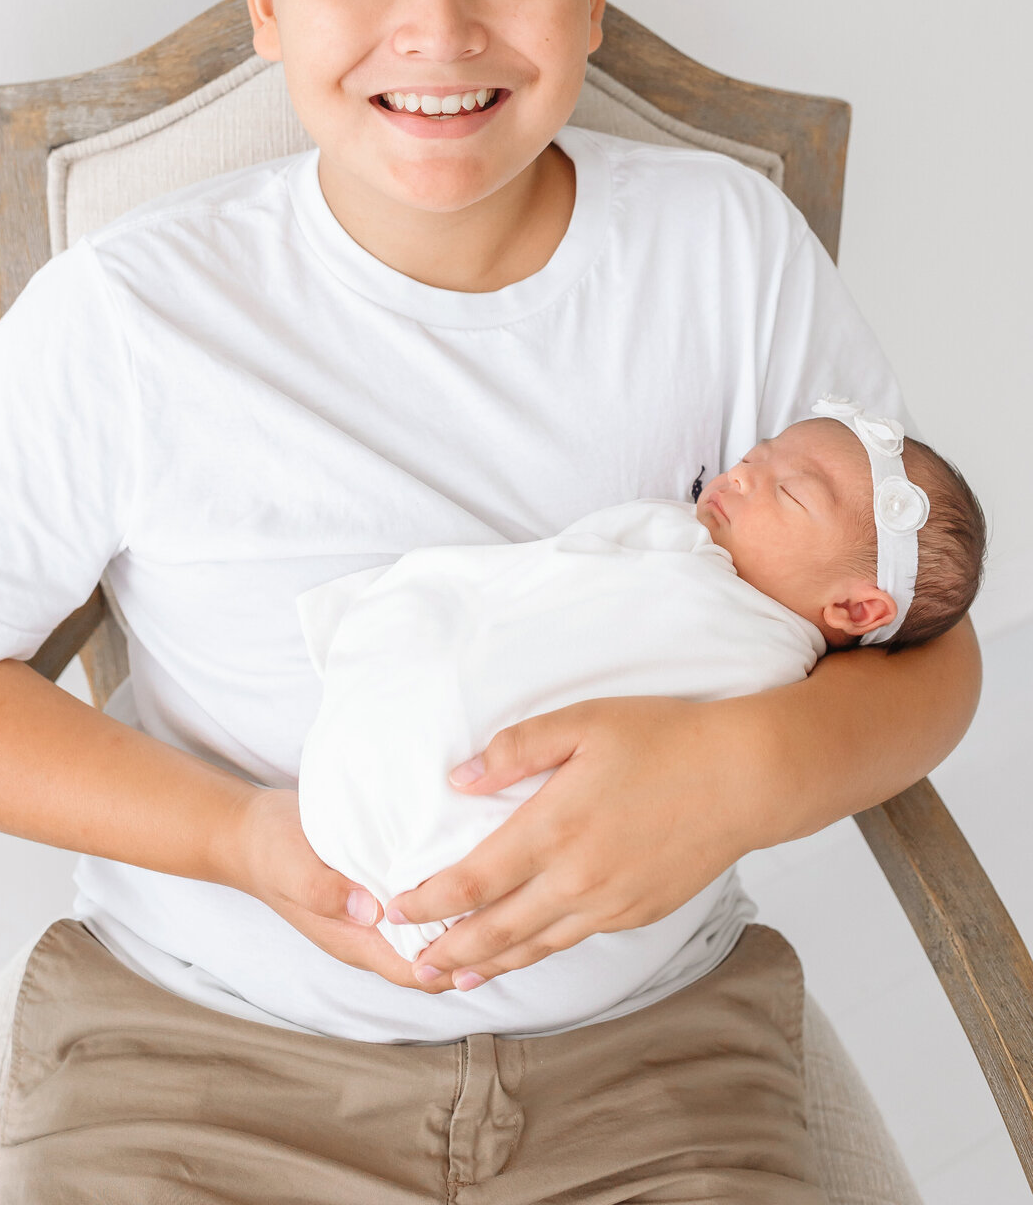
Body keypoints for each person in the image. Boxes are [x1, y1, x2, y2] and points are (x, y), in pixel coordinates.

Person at [0, 0, 981, 1201]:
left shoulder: (726, 252)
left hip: (652, 1057)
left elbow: (924, 648)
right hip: (206, 1052)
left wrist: (742, 767)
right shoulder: (126, 314)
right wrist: (242, 838)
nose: (437, 31)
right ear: (264, 0)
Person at [297, 402, 986, 1031]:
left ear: (856, 611)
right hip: (350, 883)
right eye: (762, 451)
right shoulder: (682, 546)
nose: (745, 471)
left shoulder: (767, 669)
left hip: (607, 965)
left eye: (790, 491)